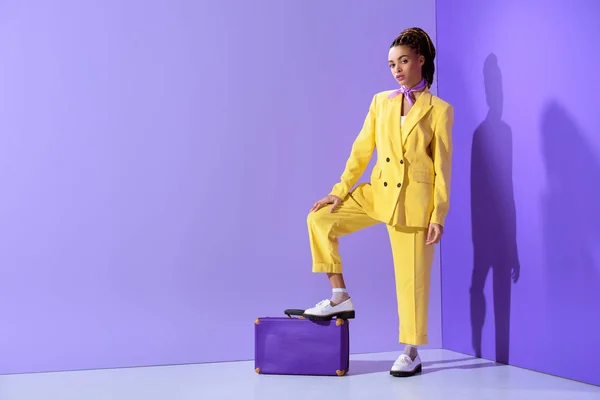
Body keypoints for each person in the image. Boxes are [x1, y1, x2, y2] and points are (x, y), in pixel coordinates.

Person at [303, 27, 453, 377]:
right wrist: (340, 190)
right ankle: (339, 295)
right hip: (378, 192)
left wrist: (438, 214)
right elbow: (361, 149)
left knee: (412, 279)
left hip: (413, 203)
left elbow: (444, 168)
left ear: (421, 61)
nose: (397, 69)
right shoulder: (380, 102)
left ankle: (411, 351)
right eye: (391, 64)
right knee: (321, 219)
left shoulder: (440, 110)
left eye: (403, 61)